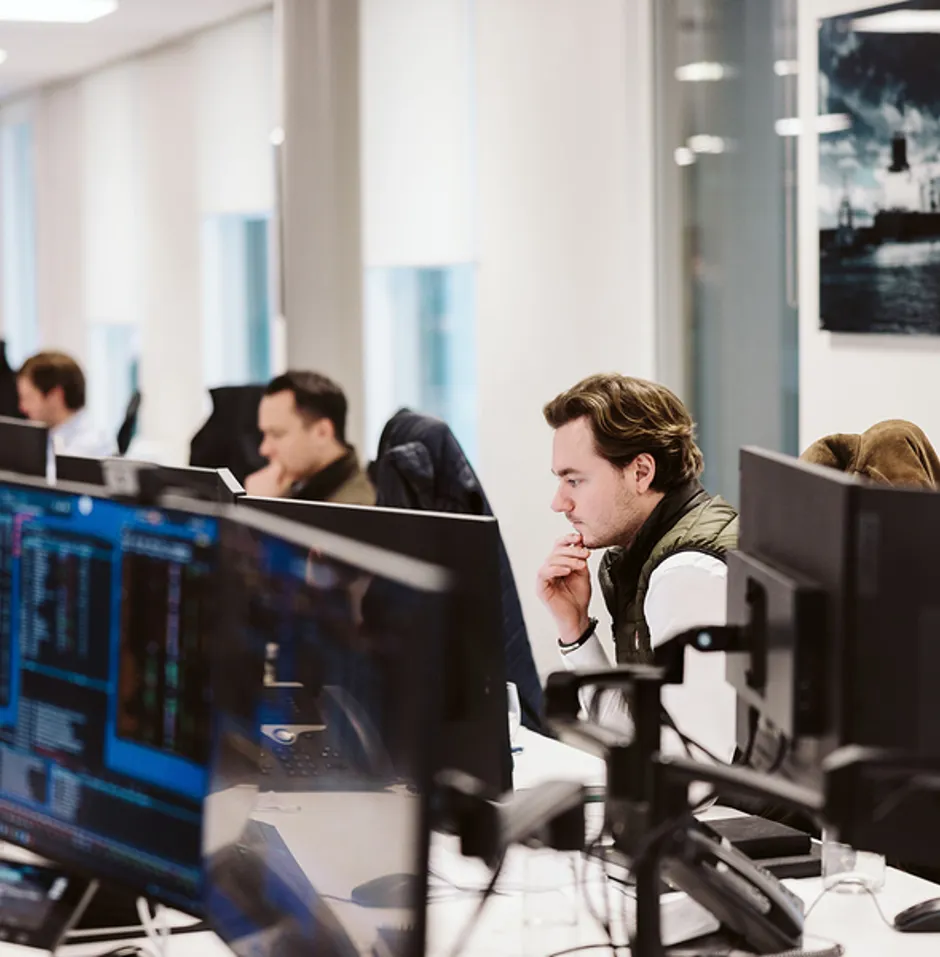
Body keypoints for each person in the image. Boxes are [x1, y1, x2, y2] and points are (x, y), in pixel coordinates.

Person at [536, 373, 739, 763]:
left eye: (574, 481)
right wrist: (574, 627)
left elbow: (693, 772)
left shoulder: (686, 575)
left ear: (641, 472)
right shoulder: (642, 555)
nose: (559, 503)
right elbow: (635, 732)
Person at [244, 371, 375, 506]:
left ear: (322, 433)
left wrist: (260, 505)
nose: (264, 449)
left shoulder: (352, 508)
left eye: (277, 434)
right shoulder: (301, 484)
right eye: (265, 434)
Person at [17, 351, 114, 458]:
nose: (22, 408)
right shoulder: (49, 438)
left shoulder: (89, 447)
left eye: (29, 398)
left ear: (55, 397)